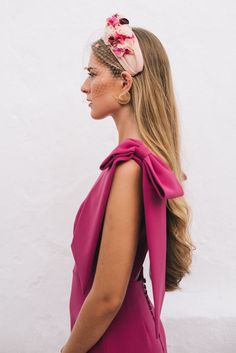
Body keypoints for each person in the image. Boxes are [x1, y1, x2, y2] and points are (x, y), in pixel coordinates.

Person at [61, 12, 195, 353]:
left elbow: (107, 297)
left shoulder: (130, 168)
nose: (84, 86)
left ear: (124, 82)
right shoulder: (134, 164)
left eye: (92, 73)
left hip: (119, 339)